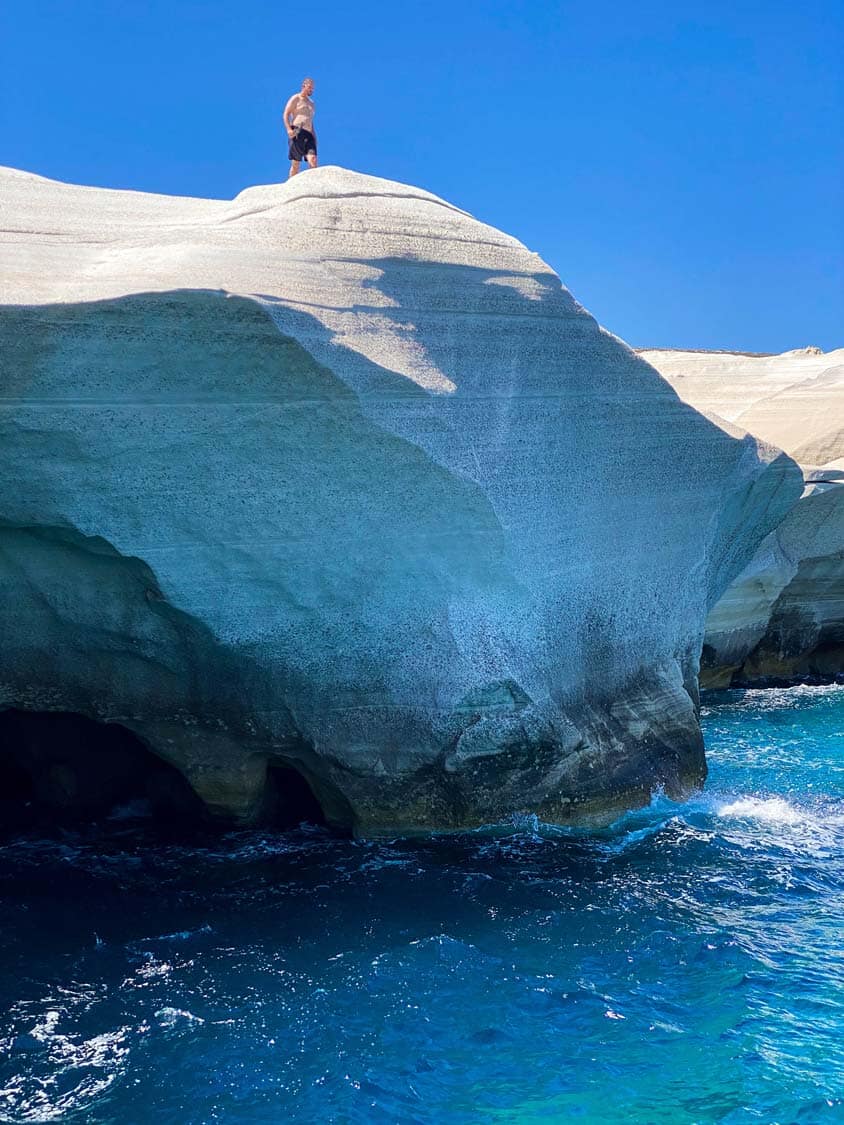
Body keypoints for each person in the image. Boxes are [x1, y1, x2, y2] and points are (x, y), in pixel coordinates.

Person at [283, 77, 318, 177]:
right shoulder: (296, 98)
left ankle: (313, 185)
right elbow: (286, 114)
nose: (311, 90)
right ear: (303, 86)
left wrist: (314, 137)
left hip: (309, 133)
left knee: (313, 160)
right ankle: (291, 187)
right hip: (297, 131)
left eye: (312, 88)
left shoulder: (312, 103)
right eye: (309, 87)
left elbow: (310, 121)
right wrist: (289, 129)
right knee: (296, 163)